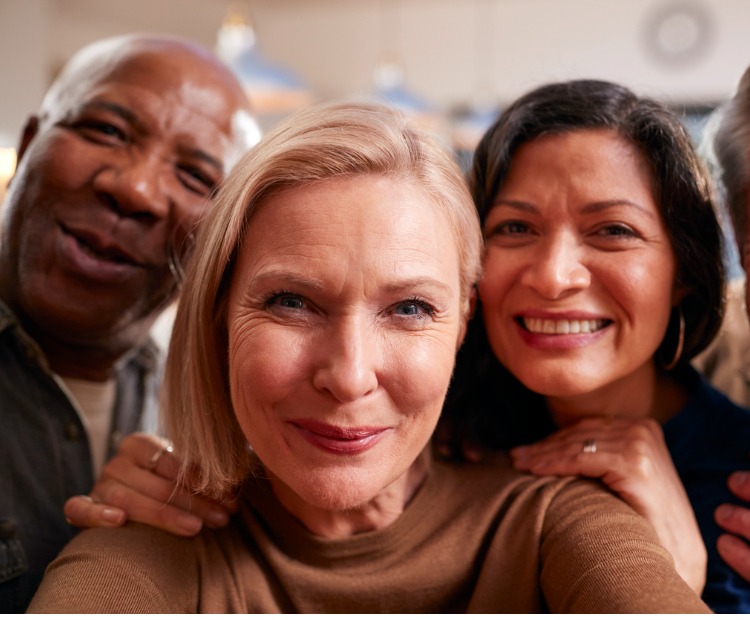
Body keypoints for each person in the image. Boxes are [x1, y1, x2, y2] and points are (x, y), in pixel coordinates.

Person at [27, 101, 709, 613]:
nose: (350, 375)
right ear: (218, 314)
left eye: (409, 308)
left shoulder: (554, 521)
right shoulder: (147, 539)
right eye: (293, 302)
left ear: (464, 321)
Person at [441, 78, 750, 612]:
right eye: (515, 227)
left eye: (612, 230)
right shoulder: (429, 446)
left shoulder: (740, 494)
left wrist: (670, 586)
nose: (554, 276)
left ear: (685, 273)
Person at [0, 33, 260, 612]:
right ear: (28, 144)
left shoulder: (211, 425)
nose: (136, 189)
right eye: (107, 131)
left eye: (194, 176)